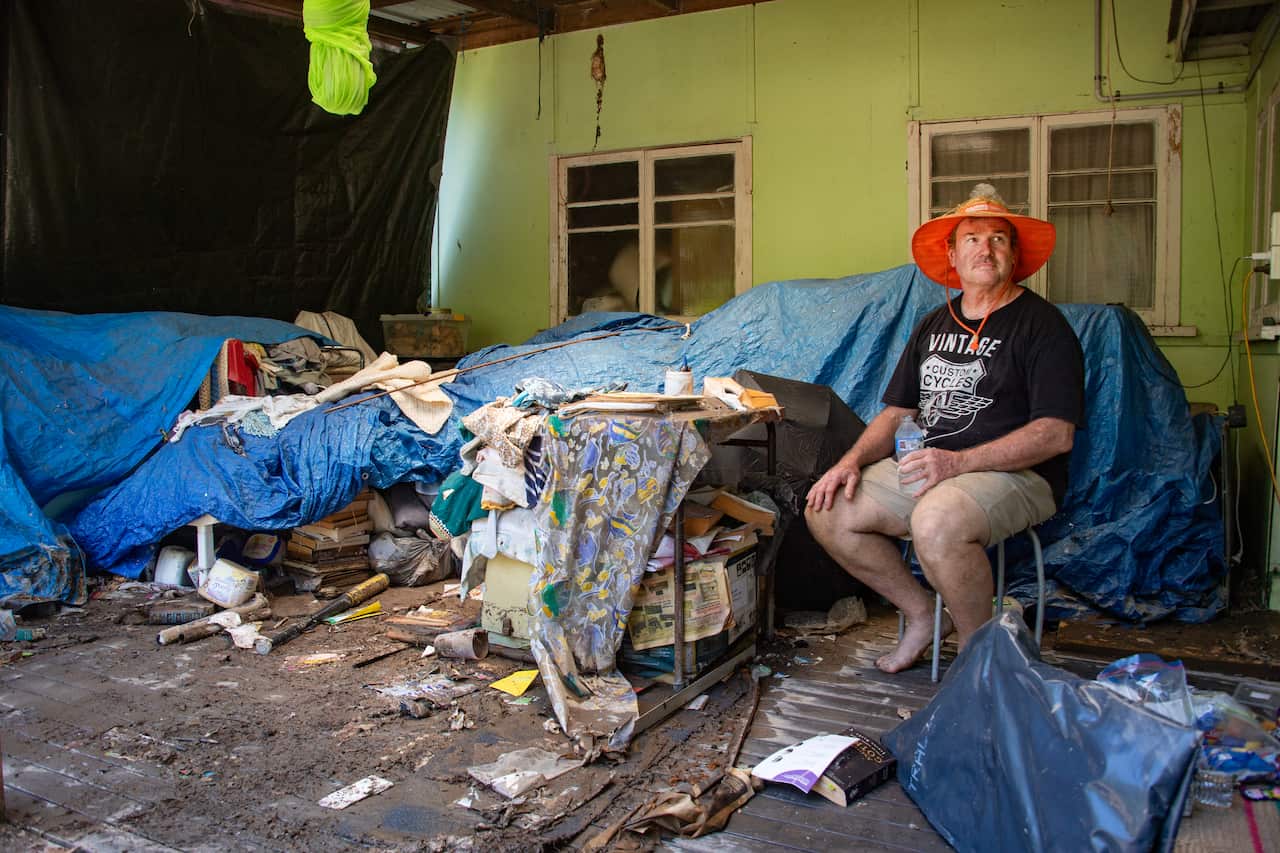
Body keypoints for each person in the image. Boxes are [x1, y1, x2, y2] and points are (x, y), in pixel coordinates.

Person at [804, 184, 1084, 674]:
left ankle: (982, 662)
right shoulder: (935, 323)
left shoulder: (1044, 326)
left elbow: (1057, 434)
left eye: (999, 238)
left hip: (1016, 476)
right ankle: (923, 615)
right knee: (827, 509)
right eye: (972, 238)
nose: (985, 248)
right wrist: (847, 463)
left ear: (1014, 255)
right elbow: (897, 413)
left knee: (936, 521)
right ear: (952, 255)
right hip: (931, 469)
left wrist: (957, 462)